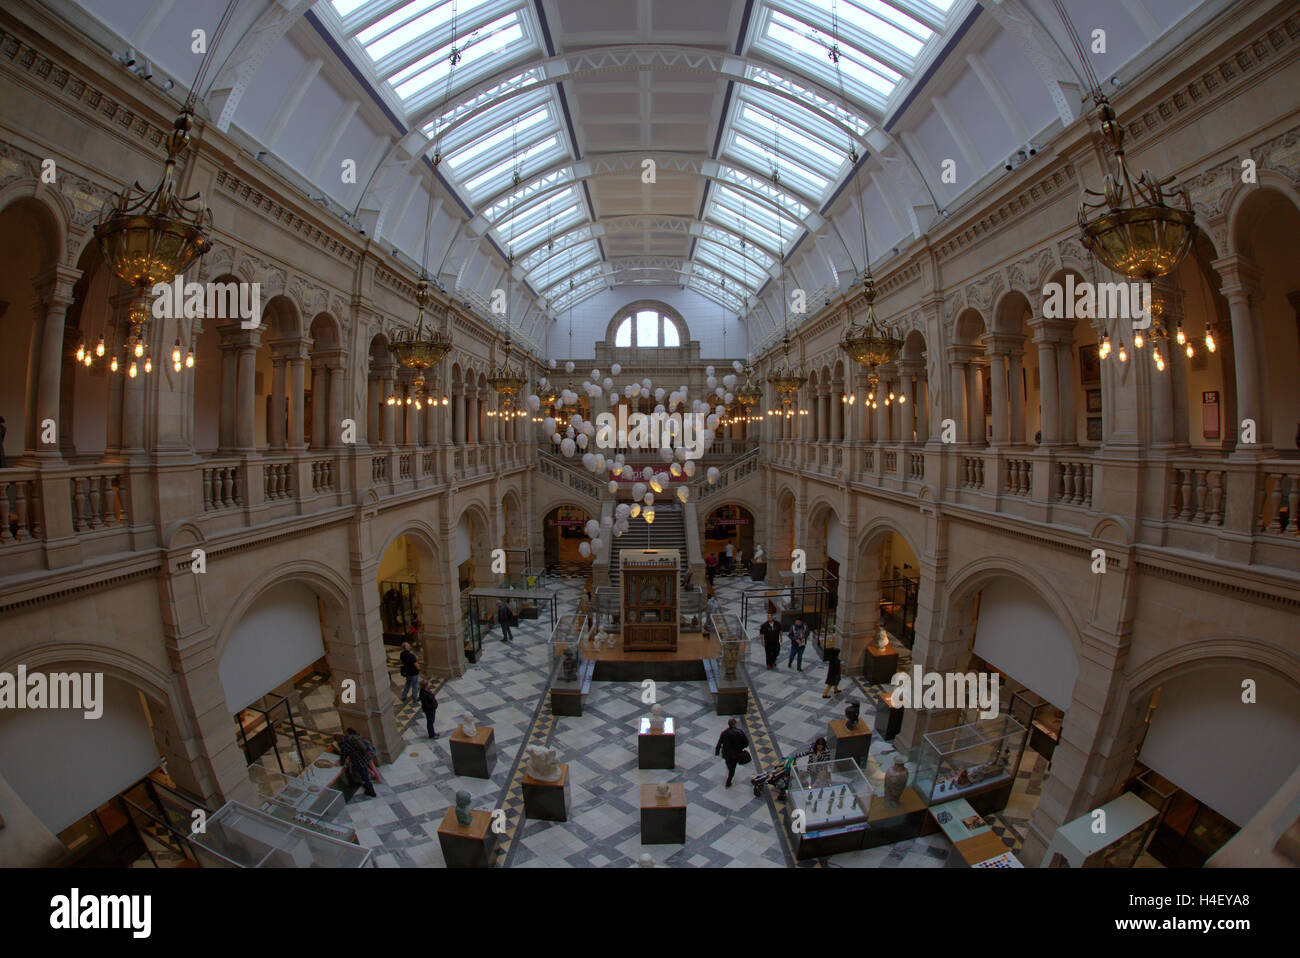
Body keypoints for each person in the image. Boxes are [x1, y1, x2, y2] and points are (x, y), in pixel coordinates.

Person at [336, 727, 378, 797]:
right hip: (365, 757)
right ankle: (365, 783)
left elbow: (344, 755)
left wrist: (341, 763)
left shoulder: (343, 743)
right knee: (363, 772)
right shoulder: (350, 738)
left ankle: (371, 792)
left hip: (358, 760)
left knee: (364, 775)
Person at [715, 718, 750, 787]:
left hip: (726, 753)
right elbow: (746, 743)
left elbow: (719, 743)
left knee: (729, 764)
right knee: (732, 770)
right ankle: (728, 782)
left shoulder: (724, 733)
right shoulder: (740, 732)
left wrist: (717, 751)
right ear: (735, 724)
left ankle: (729, 768)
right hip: (736, 754)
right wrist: (741, 747)